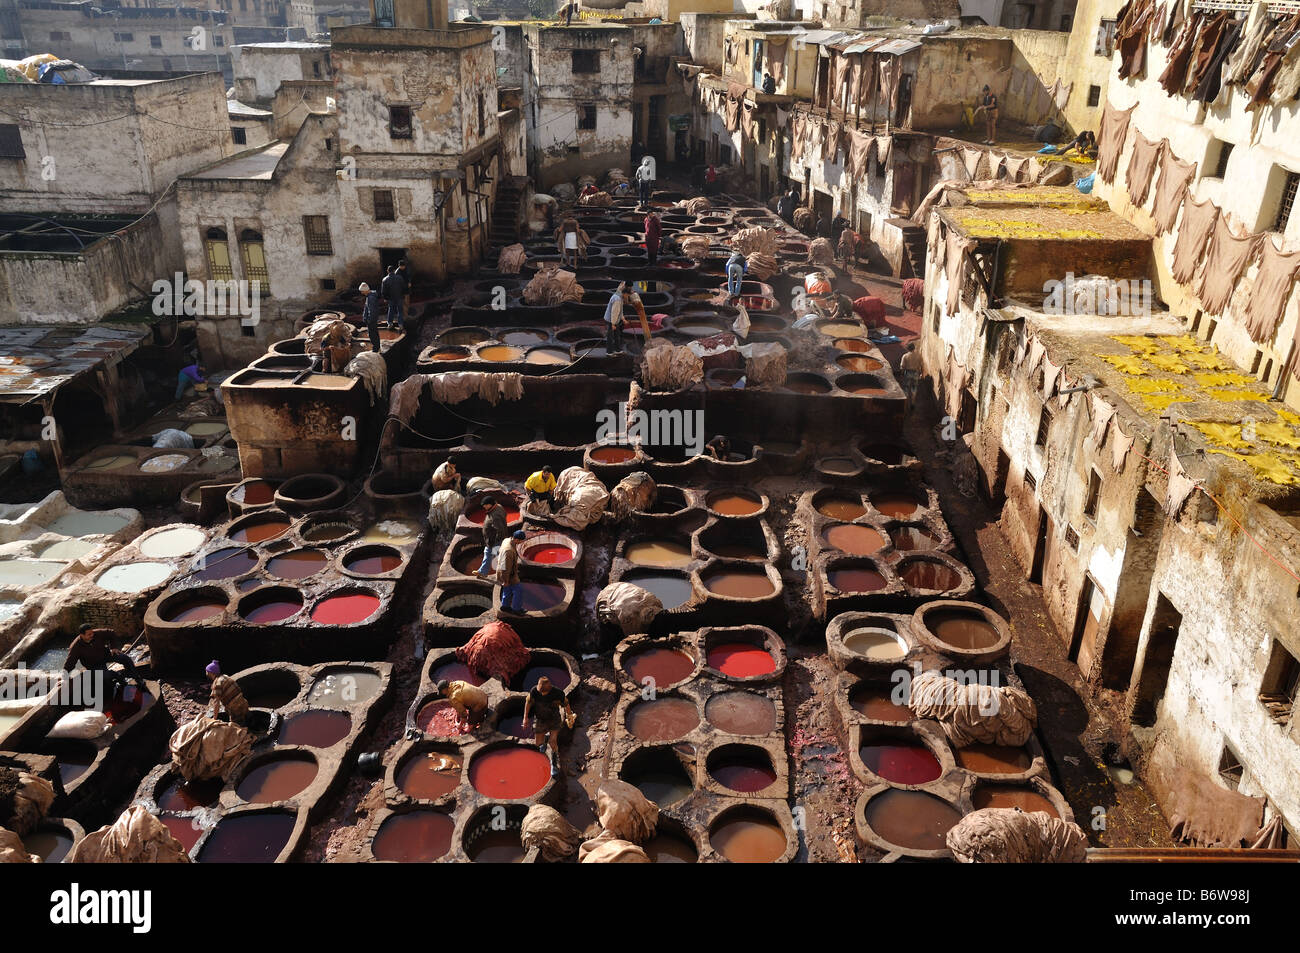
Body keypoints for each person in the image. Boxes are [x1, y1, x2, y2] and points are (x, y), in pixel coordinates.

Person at [63, 624, 143, 693]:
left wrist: (113, 647)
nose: (92, 635)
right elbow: (70, 662)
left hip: (105, 654)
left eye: (92, 633)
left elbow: (111, 633)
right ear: (82, 635)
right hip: (93, 665)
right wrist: (64, 677)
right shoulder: (75, 647)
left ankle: (136, 677)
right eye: (89, 634)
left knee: (125, 658)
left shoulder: (97, 633)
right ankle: (118, 676)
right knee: (105, 676)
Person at [522, 675, 572, 777]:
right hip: (540, 719)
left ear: (549, 689)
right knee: (538, 743)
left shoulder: (558, 693)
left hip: (554, 719)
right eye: (539, 691)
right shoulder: (534, 691)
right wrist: (525, 717)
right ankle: (544, 742)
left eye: (543, 692)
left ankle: (553, 763)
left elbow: (566, 704)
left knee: (553, 741)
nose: (541, 693)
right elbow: (528, 702)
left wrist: (569, 716)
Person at [205, 660, 249, 726]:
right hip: (243, 703)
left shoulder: (217, 684)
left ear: (211, 673)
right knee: (248, 720)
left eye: (207, 671)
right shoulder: (225, 677)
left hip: (235, 708)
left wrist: (214, 719)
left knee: (236, 727)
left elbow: (216, 703)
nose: (206, 673)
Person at [604, 283, 645, 354]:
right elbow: (614, 313)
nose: (627, 297)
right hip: (611, 320)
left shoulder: (620, 297)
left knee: (617, 335)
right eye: (628, 295)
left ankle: (618, 350)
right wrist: (613, 324)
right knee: (610, 337)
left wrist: (623, 319)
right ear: (625, 293)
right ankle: (609, 352)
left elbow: (620, 310)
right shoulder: (617, 299)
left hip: (615, 320)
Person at [476, 496, 509, 578]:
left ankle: (501, 575)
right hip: (494, 539)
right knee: (490, 555)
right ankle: (484, 572)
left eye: (486, 505)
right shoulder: (498, 507)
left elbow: (500, 530)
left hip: (495, 540)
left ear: (490, 504)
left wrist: (494, 541)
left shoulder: (495, 516)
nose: (484, 507)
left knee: (495, 557)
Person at [497, 530, 525, 613]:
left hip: (501, 571)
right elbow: (506, 568)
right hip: (508, 574)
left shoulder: (507, 540)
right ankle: (516, 609)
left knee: (507, 589)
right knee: (519, 590)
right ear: (516, 540)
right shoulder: (509, 551)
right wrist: (506, 580)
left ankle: (505, 606)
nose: (521, 542)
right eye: (521, 541)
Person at [899, 342, 923, 412]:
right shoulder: (919, 356)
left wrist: (902, 374)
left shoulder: (905, 356)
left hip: (908, 373)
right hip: (916, 373)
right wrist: (920, 373)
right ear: (914, 348)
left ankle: (905, 404)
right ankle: (912, 403)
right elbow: (921, 365)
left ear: (907, 348)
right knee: (914, 388)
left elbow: (902, 367)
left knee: (906, 388)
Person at [386, 260, 409, 331]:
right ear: (394, 270)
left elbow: (384, 290)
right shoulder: (399, 277)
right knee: (400, 310)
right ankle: (401, 325)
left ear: (387, 271)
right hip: (399, 296)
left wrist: (385, 297)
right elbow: (403, 287)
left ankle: (390, 324)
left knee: (391, 310)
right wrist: (404, 294)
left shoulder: (385, 279)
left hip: (391, 298)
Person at [360, 281, 382, 352]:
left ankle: (375, 348)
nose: (361, 293)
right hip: (372, 318)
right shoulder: (370, 296)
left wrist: (369, 319)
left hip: (371, 319)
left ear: (365, 290)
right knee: (374, 332)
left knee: (372, 334)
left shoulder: (370, 298)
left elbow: (371, 310)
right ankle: (377, 347)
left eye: (362, 291)